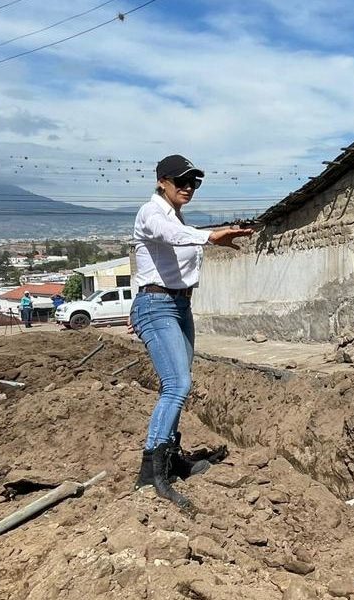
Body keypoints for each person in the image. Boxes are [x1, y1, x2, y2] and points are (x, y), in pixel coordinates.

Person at [130, 154, 254, 511]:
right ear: (161, 182)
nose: (188, 187)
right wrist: (212, 236)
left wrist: (211, 239)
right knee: (177, 385)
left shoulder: (177, 217)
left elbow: (164, 253)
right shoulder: (151, 213)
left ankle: (170, 459)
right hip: (157, 306)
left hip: (179, 306)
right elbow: (169, 236)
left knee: (181, 384)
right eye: (180, 180)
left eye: (194, 182)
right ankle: (151, 472)